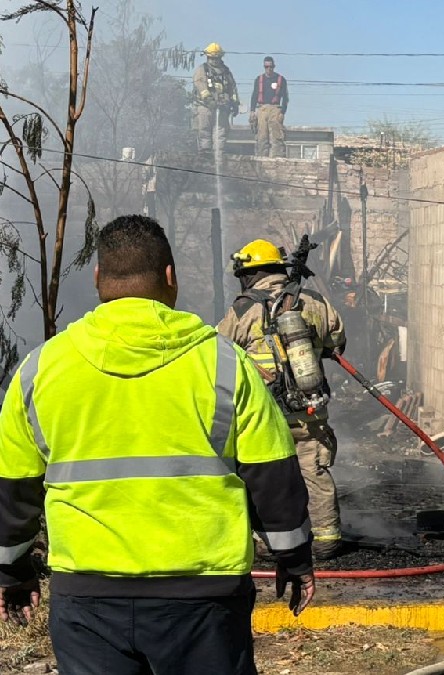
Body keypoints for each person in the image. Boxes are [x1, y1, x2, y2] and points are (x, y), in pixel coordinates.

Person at [0, 215, 315, 674]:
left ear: (98, 279)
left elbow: (13, 488)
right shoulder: (225, 364)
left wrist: (12, 571)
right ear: (171, 277)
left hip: (87, 600)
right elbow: (273, 475)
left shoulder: (39, 370)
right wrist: (294, 557)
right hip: (203, 601)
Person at [218, 239, 347, 560]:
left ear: (250, 274)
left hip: (264, 417)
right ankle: (327, 539)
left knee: (266, 478)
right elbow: (337, 340)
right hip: (308, 409)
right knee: (314, 471)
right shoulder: (314, 301)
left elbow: (219, 354)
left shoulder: (242, 310)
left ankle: (266, 542)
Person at [193, 42, 240, 154]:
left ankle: (219, 152)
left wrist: (235, 103)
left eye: (216, 58)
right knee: (204, 129)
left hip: (223, 108)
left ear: (220, 57)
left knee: (221, 131)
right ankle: (205, 153)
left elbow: (232, 88)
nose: (214, 60)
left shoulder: (226, 72)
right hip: (205, 106)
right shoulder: (202, 70)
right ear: (207, 57)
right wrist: (209, 100)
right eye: (211, 58)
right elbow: (201, 86)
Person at [251, 56, 289, 158]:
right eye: (266, 66)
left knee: (277, 135)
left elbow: (285, 97)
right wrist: (252, 111)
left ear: (274, 66)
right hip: (262, 109)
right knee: (262, 136)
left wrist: (282, 112)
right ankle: (261, 159)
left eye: (271, 66)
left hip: (275, 109)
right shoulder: (259, 79)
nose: (269, 69)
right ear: (264, 67)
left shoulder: (281, 79)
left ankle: (278, 158)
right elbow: (254, 95)